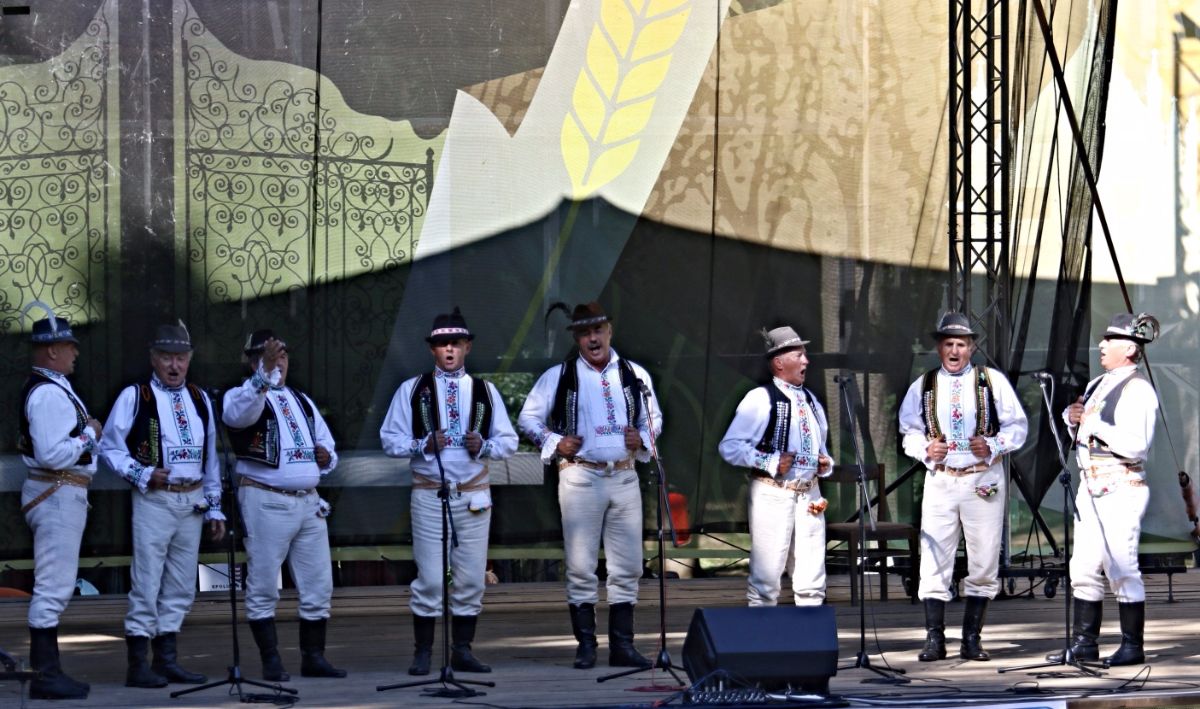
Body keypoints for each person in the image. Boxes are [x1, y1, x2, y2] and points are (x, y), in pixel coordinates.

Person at [518, 302, 662, 670]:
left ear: (610, 331)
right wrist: (555, 441)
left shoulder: (634, 373)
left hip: (624, 474)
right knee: (582, 565)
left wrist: (642, 438)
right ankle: (586, 646)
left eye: (598, 330)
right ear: (577, 338)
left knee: (628, 565)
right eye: (584, 333)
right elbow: (528, 419)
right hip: (581, 475)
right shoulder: (560, 375)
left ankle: (622, 646)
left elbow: (654, 418)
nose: (592, 338)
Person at [380, 307, 518, 676]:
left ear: (467, 346)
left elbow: (508, 441)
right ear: (433, 349)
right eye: (443, 344)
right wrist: (422, 444)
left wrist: (484, 446)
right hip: (430, 493)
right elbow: (389, 440)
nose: (450, 349)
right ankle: (423, 652)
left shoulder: (485, 391)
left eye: (456, 343)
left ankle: (462, 651)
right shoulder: (413, 389)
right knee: (429, 577)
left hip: (474, 494)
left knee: (471, 578)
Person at [100, 322, 226, 688]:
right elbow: (109, 446)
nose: (175, 365)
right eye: (168, 357)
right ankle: (138, 665)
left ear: (190, 359)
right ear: (154, 358)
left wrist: (214, 506)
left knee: (182, 584)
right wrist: (141, 473)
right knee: (147, 581)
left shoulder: (201, 398)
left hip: (192, 500)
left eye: (181, 358)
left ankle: (167, 660)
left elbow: (211, 460)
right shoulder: (135, 395)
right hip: (155, 500)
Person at [898, 312, 1027, 662]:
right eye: (948, 344)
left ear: (971, 348)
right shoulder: (924, 385)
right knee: (934, 556)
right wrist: (926, 449)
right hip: (941, 478)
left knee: (984, 557)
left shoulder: (991, 381)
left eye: (961, 344)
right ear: (939, 348)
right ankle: (934, 639)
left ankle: (972, 638)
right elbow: (909, 431)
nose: (954, 351)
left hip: (982, 478)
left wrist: (994, 445)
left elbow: (1018, 426)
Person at [222, 330, 345, 681]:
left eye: (282, 356)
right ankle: (271, 660)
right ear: (253, 362)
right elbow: (237, 416)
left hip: (309, 502)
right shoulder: (242, 395)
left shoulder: (301, 399)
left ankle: (314, 658)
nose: (279, 363)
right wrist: (263, 376)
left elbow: (327, 444)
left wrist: (326, 457)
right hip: (266, 500)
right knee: (263, 584)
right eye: (269, 357)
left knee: (318, 584)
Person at [1047, 313, 1160, 667]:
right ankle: (1085, 643)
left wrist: (1093, 423)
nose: (1101, 344)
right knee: (1082, 567)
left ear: (1129, 349)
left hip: (1121, 485)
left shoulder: (1138, 389)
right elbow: (1084, 432)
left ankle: (1132, 645)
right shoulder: (1098, 383)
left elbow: (1136, 446)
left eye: (1110, 340)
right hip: (1091, 485)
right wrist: (1072, 420)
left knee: (1121, 565)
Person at [16, 312, 100, 700]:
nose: (75, 354)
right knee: (53, 587)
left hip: (58, 491)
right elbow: (51, 454)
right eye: (70, 346)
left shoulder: (51, 387)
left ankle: (49, 672)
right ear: (52, 350)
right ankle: (45, 675)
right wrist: (89, 435)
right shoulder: (48, 393)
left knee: (55, 585)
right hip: (57, 492)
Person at [718, 326, 833, 607]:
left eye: (805, 355)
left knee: (812, 579)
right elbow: (730, 446)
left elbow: (822, 448)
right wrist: (770, 461)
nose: (806, 361)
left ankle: (810, 634)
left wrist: (824, 463)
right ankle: (762, 633)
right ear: (779, 362)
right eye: (799, 355)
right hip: (773, 493)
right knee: (766, 580)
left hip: (810, 495)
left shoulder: (811, 401)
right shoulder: (760, 398)